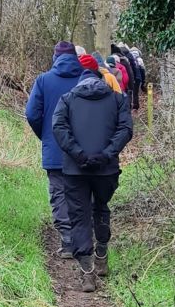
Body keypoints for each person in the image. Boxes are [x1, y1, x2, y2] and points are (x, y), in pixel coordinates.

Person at [51, 56, 133, 290]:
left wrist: (78, 154)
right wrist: (106, 154)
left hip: (75, 170)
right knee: (101, 207)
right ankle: (102, 256)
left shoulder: (66, 100)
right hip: (106, 169)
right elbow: (126, 129)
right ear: (101, 78)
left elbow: (59, 128)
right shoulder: (117, 99)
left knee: (79, 215)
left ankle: (87, 272)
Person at [24, 41, 85, 254]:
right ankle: (83, 239)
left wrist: (46, 135)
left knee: (59, 193)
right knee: (81, 192)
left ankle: (68, 241)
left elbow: (32, 114)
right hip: (84, 148)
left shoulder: (43, 81)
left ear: (55, 57)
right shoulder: (85, 78)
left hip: (55, 148)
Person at [112, 40, 148, 112]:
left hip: (120, 82)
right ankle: (134, 107)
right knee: (134, 93)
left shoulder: (116, 58)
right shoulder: (131, 57)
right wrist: (141, 80)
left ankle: (129, 107)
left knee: (126, 94)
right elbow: (140, 69)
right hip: (135, 77)